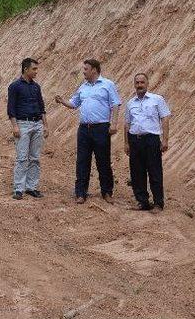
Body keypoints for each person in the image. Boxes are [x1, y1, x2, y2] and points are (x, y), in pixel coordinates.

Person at [55, 59, 121, 204]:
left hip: (101, 128)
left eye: (86, 69)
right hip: (84, 129)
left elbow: (115, 105)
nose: (83, 71)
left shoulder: (108, 85)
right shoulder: (83, 87)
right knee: (82, 161)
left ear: (94, 70)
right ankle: (80, 193)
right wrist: (62, 101)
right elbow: (74, 104)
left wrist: (114, 124)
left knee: (103, 160)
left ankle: (107, 192)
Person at [123, 73, 171, 211]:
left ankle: (158, 203)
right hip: (134, 140)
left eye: (142, 82)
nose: (139, 85)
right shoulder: (130, 103)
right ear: (134, 84)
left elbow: (165, 118)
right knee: (137, 173)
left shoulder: (157, 99)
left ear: (147, 84)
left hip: (151, 140)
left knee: (154, 171)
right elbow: (127, 124)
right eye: (137, 83)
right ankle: (142, 201)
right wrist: (126, 143)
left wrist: (165, 140)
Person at [7, 58, 49, 200]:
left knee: (35, 158)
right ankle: (19, 188)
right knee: (22, 158)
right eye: (34, 69)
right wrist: (15, 126)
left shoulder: (36, 87)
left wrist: (45, 125)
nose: (36, 71)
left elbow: (42, 107)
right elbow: (11, 108)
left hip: (37, 124)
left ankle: (32, 187)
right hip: (22, 124)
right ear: (26, 69)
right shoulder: (15, 86)